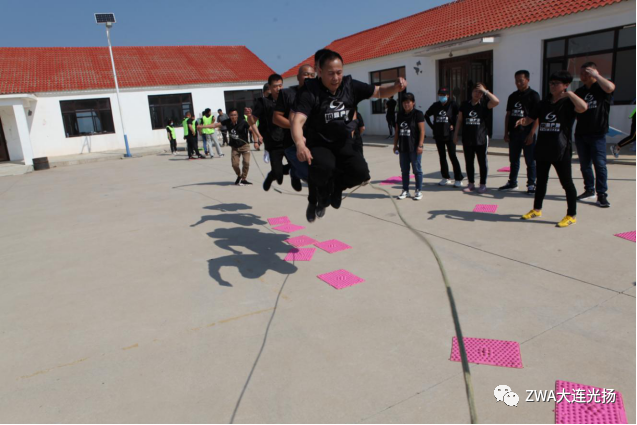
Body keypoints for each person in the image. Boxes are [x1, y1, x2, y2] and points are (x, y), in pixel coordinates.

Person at [291, 50, 407, 222]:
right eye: (331, 73)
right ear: (320, 72)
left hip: (343, 140)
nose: (336, 78)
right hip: (320, 142)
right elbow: (297, 120)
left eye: (339, 73)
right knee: (323, 168)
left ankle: (337, 188)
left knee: (361, 173)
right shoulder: (310, 91)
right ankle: (320, 198)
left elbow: (379, 91)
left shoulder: (350, 86)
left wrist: (395, 88)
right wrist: (300, 144)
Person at [517, 70, 588, 228]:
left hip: (561, 149)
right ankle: (537, 209)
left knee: (567, 183)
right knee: (541, 182)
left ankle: (571, 215)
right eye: (551, 83)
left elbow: (583, 107)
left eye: (556, 83)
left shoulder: (569, 103)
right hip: (543, 148)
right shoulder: (543, 104)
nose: (552, 86)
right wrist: (523, 121)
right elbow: (530, 119)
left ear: (565, 85)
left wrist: (569, 94)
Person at [574, 62, 615, 208]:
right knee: (585, 165)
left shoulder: (601, 88)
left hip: (597, 134)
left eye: (586, 73)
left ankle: (601, 194)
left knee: (600, 165)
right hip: (581, 134)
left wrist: (597, 76)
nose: (583, 76)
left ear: (594, 72)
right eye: (581, 73)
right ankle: (589, 190)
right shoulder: (579, 91)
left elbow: (610, 88)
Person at [273, 64, 316, 192]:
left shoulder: (318, 93)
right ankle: (295, 172)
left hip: (314, 141)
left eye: (312, 75)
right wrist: (296, 126)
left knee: (319, 174)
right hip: (292, 143)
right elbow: (276, 118)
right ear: (298, 77)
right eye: (305, 74)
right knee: (308, 175)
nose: (309, 77)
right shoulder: (287, 93)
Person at [453, 83, 499, 193]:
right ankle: (471, 183)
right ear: (471, 92)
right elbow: (459, 120)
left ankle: (482, 184)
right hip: (467, 138)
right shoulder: (465, 104)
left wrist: (485, 91)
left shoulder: (485, 104)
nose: (477, 93)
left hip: (481, 138)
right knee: (469, 162)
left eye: (480, 92)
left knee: (482, 162)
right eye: (475, 91)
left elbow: (496, 101)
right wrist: (455, 134)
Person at [499, 70, 540, 194]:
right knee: (514, 160)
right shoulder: (512, 96)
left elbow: (537, 117)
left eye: (521, 80)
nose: (518, 83)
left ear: (527, 80)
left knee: (530, 161)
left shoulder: (534, 95)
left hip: (527, 134)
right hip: (514, 134)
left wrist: (531, 134)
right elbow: (508, 115)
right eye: (516, 81)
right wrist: (506, 133)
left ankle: (531, 184)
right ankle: (512, 182)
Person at [248, 74, 290, 192]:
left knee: (297, 166)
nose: (278, 88)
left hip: (288, 140)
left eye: (280, 85)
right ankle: (272, 176)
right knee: (278, 174)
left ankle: (290, 176)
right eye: (275, 86)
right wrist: (249, 116)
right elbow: (252, 121)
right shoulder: (263, 102)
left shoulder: (288, 99)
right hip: (273, 142)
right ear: (270, 88)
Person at [198, 108, 256, 185]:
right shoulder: (227, 121)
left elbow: (252, 129)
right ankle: (239, 175)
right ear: (229, 116)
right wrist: (202, 127)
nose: (233, 116)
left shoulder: (243, 122)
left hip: (245, 146)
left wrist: (256, 141)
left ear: (237, 115)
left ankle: (243, 179)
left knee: (246, 163)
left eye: (235, 115)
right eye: (231, 115)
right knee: (234, 164)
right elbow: (215, 125)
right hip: (235, 147)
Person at [425, 87, 463, 187]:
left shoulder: (453, 104)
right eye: (440, 95)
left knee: (452, 156)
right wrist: (433, 127)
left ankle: (458, 178)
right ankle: (445, 177)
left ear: (448, 96)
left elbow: (460, 116)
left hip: (450, 135)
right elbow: (426, 115)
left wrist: (454, 125)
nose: (442, 97)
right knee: (442, 157)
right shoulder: (435, 105)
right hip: (438, 135)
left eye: (444, 95)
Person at [393, 93, 425, 200]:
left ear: (413, 103)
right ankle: (405, 190)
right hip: (403, 147)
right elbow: (397, 131)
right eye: (404, 103)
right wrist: (395, 145)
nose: (406, 105)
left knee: (417, 170)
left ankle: (418, 190)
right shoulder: (399, 115)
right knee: (404, 170)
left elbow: (422, 131)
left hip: (414, 147)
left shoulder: (418, 114)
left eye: (408, 102)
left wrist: (420, 145)